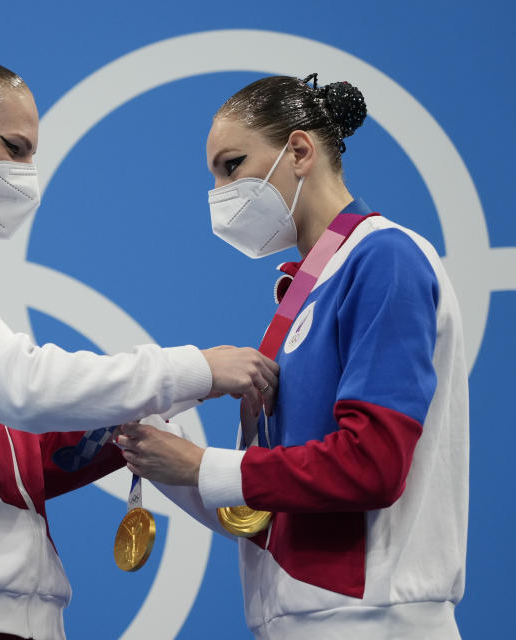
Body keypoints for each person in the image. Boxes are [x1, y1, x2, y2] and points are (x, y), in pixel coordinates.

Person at [0, 47, 280, 640]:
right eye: (15, 148)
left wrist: (128, 421)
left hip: (6, 612)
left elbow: (9, 457)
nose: (27, 172)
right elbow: (22, 386)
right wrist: (196, 370)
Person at [117, 74, 469, 639]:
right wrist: (165, 455)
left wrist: (202, 467)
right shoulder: (303, 290)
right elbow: (263, 510)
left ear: (299, 151)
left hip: (372, 620)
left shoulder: (384, 259)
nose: (220, 191)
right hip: (297, 619)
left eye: (231, 166)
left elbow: (372, 465)